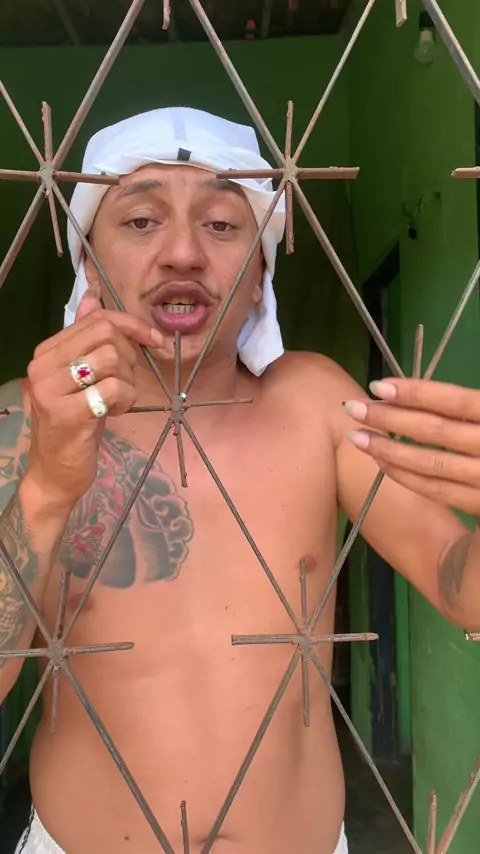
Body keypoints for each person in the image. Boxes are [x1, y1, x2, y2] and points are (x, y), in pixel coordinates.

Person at [0, 106, 479, 854]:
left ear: (260, 275)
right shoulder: (19, 420)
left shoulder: (314, 404)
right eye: (141, 222)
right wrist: (48, 489)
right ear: (88, 265)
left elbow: (457, 581)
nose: (182, 253)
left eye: (223, 225)